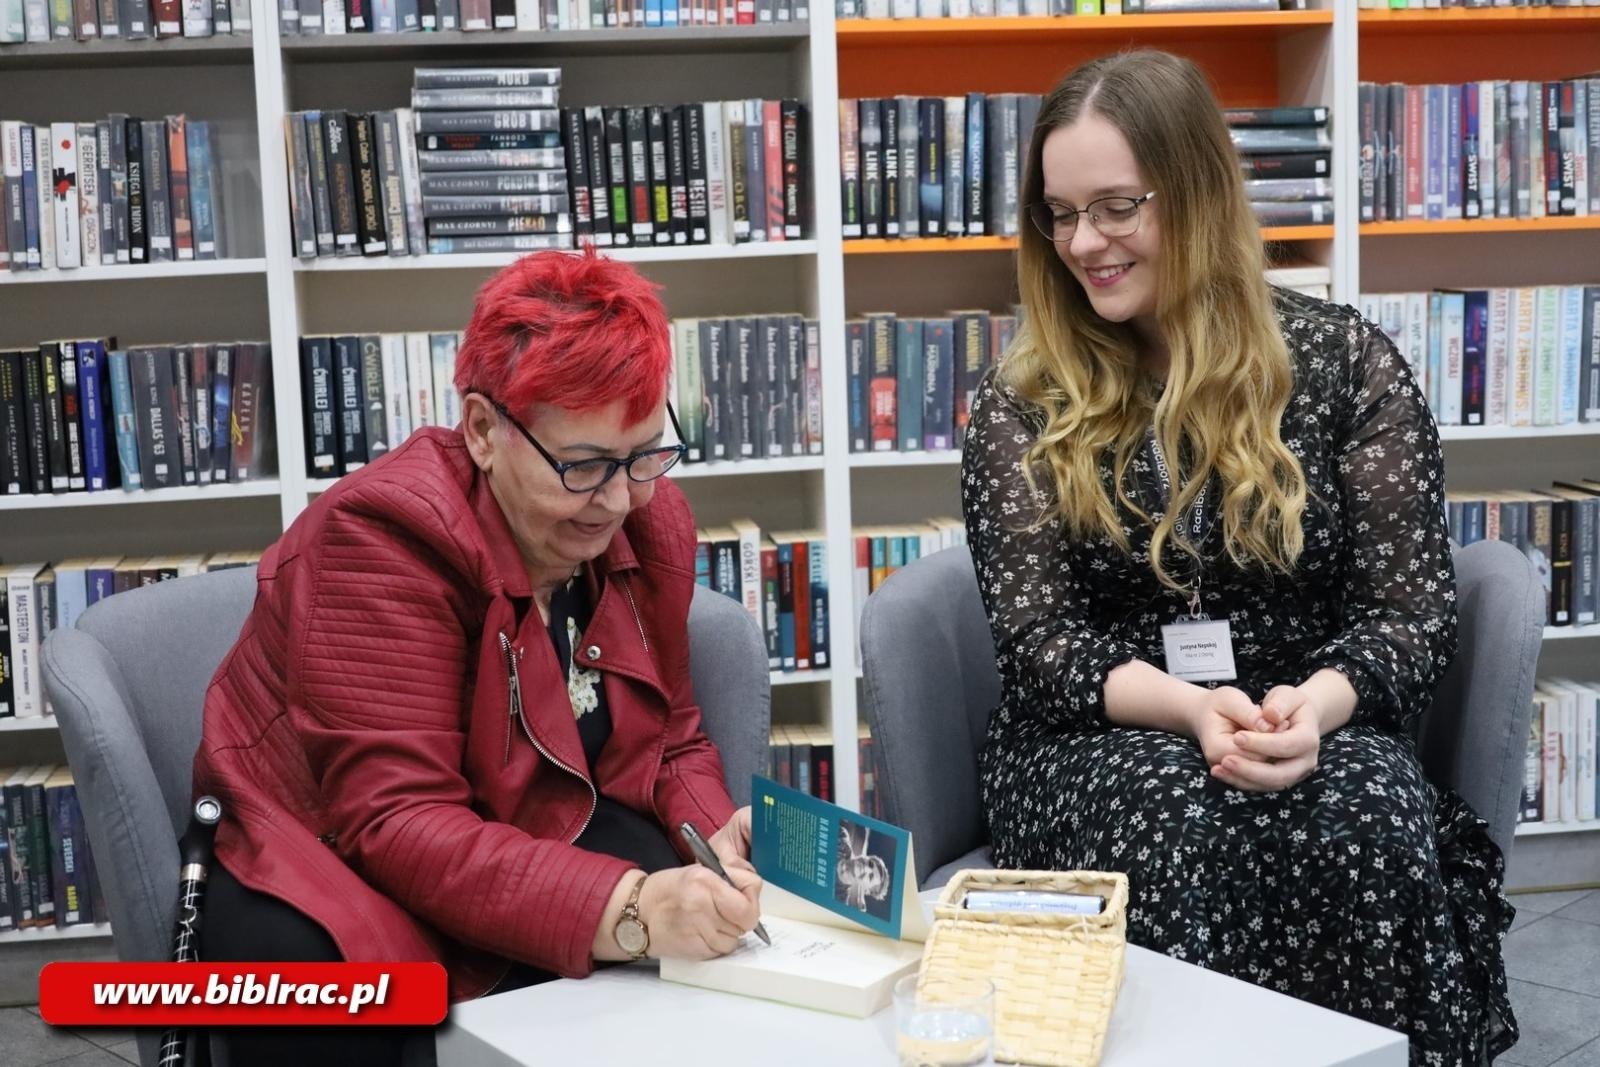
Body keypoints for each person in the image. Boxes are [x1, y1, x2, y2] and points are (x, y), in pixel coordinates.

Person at [961, 50, 1516, 1066]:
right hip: (1101, 729)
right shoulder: (1024, 397)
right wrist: (1189, 708)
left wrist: (1314, 705)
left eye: (1116, 207)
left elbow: (1411, 611)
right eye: (1059, 212)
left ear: (1199, 194)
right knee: (1179, 817)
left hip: (1308, 712)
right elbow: (1037, 644)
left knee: (1365, 810)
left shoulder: (1346, 365)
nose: (1083, 242)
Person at [192, 249, 764, 1066]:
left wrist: (714, 836)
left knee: (699, 957)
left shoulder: (648, 517)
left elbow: (669, 733)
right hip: (322, 844)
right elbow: (395, 820)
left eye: (643, 454)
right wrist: (632, 905)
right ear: (484, 430)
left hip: (528, 807)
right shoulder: (384, 537)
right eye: (584, 465)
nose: (618, 499)